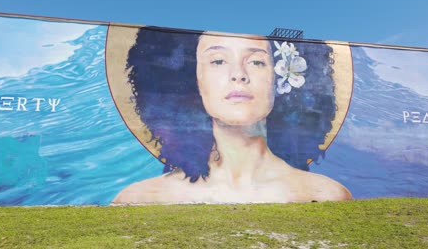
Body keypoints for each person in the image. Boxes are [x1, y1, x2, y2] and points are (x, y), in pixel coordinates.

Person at [111, 28, 352, 204]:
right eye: (218, 61)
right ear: (191, 79)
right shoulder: (139, 199)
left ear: (280, 80)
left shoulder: (326, 195)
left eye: (257, 62)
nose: (239, 74)